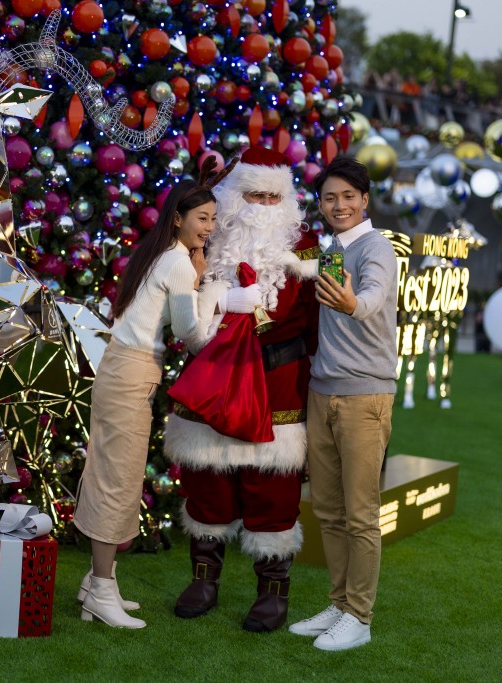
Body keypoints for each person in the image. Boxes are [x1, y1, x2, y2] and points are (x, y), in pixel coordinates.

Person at [164, 145, 319, 632]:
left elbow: (311, 319)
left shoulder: (307, 246)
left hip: (278, 386)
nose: (261, 207)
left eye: (272, 197)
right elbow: (180, 302)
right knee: (207, 480)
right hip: (213, 380)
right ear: (233, 194)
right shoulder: (206, 238)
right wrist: (222, 301)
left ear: (287, 201)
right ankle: (203, 580)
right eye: (252, 194)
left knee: (271, 489)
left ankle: (272, 591)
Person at [72, 162, 231, 629]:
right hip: (132, 372)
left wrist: (199, 278)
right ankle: (101, 590)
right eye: (202, 218)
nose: (210, 227)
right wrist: (216, 294)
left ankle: (98, 583)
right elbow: (194, 336)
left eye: (213, 219)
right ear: (178, 218)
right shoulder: (178, 263)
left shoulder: (162, 254)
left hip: (123, 368)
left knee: (110, 470)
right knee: (117, 478)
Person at [288, 156, 397, 651]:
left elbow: (373, 296)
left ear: (365, 199)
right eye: (330, 198)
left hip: (364, 396)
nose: (339, 205)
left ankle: (360, 616)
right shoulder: (330, 247)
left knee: (361, 515)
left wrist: (354, 304)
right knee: (329, 512)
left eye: (348, 196)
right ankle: (338, 604)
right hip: (322, 392)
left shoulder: (376, 248)